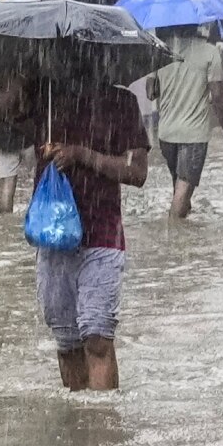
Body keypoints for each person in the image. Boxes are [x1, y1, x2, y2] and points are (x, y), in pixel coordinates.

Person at [11, 70, 151, 392]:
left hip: (103, 234)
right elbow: (0, 112)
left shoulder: (120, 102)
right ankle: (80, 424)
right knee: (68, 343)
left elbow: (138, 172)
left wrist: (83, 155)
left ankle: (101, 425)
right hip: (53, 237)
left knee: (97, 338)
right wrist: (18, 76)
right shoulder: (41, 97)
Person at [147, 25, 223, 219]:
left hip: (166, 133)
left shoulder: (160, 51)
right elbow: (218, 97)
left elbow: (150, 93)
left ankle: (183, 238)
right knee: (183, 189)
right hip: (193, 136)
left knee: (179, 188)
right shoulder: (210, 52)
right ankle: (172, 236)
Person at [0, 73, 32, 213]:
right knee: (41, 177)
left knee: (8, 183)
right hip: (27, 134)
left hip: (3, 135)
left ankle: (4, 222)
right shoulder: (27, 77)